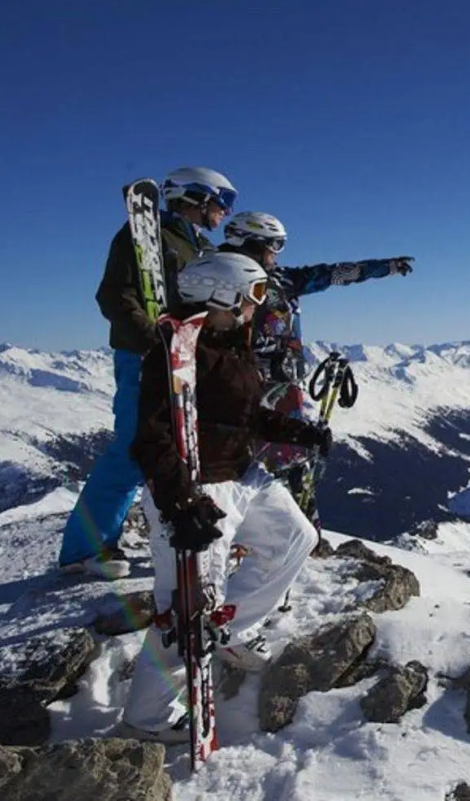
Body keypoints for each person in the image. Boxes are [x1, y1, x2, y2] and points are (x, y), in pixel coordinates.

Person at [120, 251, 328, 743]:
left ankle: (229, 632)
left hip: (242, 475)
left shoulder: (233, 346)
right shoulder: (174, 352)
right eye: (253, 294)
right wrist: (180, 503)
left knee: (295, 539)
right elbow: (150, 439)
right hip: (198, 486)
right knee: (187, 605)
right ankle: (147, 717)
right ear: (221, 294)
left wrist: (295, 431)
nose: (259, 305)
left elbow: (243, 416)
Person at [61, 166, 237, 579]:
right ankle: (84, 552)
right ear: (196, 197)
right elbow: (114, 296)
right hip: (143, 356)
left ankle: (177, 534)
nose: (225, 212)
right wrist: (154, 342)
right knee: (132, 448)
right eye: (223, 202)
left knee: (182, 449)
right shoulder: (144, 235)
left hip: (185, 359)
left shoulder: (202, 248)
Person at [217, 210, 412, 523]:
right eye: (273, 245)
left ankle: (296, 523)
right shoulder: (221, 279)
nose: (276, 253)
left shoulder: (281, 280)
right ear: (251, 243)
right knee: (258, 461)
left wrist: (384, 267)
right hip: (247, 386)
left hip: (282, 384)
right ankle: (260, 526)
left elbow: (332, 274)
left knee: (295, 455)